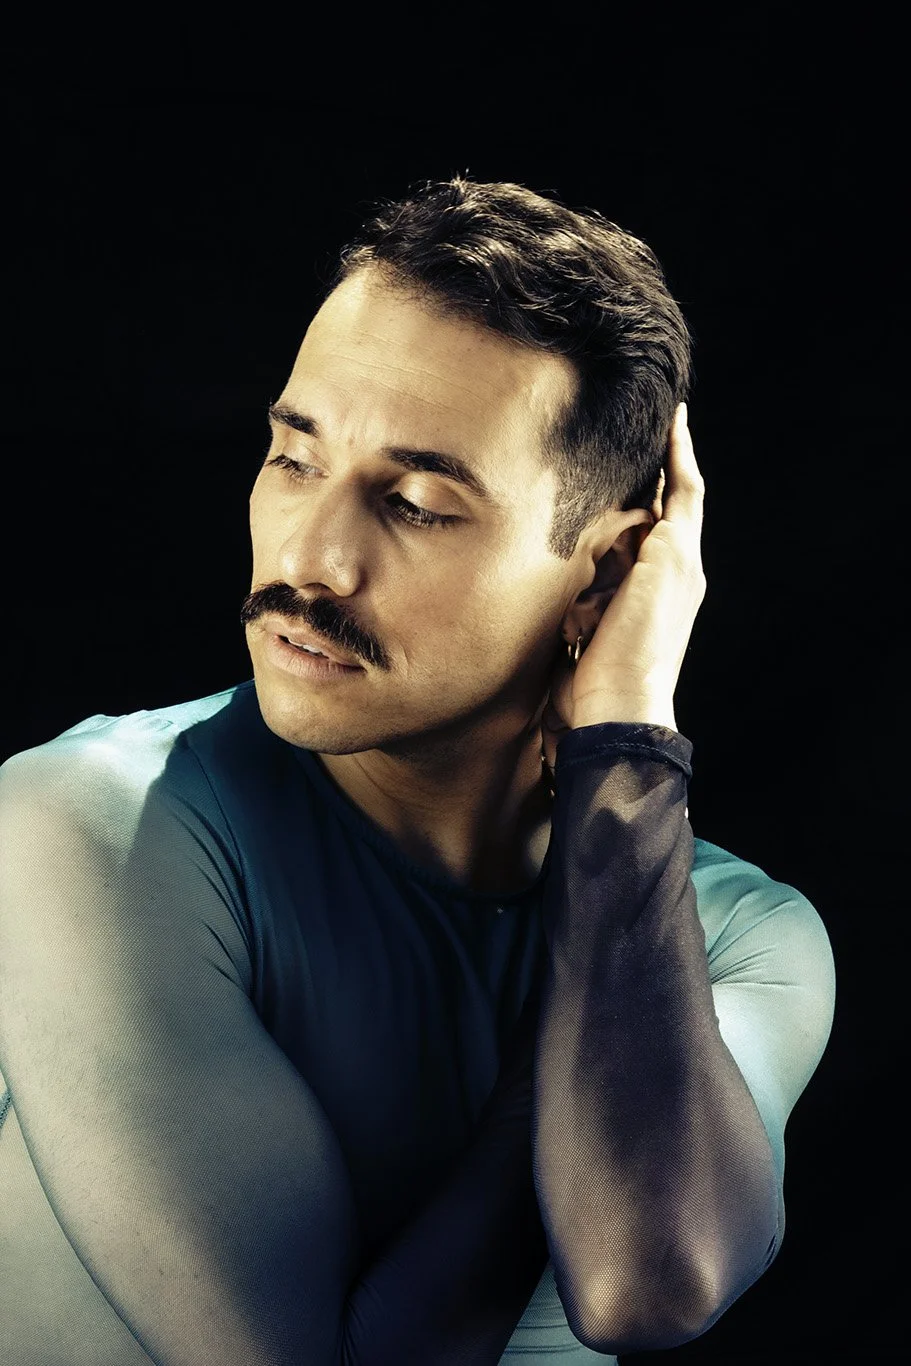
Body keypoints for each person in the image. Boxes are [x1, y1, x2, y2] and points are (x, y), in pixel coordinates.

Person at [0, 177, 835, 1366]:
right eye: (293, 459)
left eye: (415, 502)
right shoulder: (90, 825)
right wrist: (574, 988)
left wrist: (625, 746)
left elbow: (646, 1278)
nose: (312, 558)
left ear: (602, 579)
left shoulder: (747, 935)